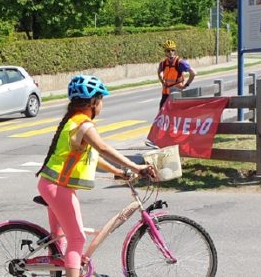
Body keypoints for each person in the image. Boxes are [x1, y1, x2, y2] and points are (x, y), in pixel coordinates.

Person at [37, 75, 156, 277]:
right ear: (93, 102)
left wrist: (118, 172)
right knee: (77, 239)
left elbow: (93, 156)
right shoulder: (83, 125)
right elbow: (102, 147)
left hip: (51, 184)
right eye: (101, 100)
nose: (102, 105)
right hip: (58, 187)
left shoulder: (73, 122)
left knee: (60, 239)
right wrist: (137, 167)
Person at [157, 39, 195, 109]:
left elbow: (193, 73)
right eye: (168, 50)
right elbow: (159, 72)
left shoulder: (180, 62)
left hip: (176, 92)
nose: (170, 52)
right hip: (165, 93)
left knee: (176, 112)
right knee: (162, 111)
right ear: (165, 52)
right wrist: (162, 82)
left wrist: (186, 85)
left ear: (175, 51)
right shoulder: (163, 63)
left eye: (172, 50)